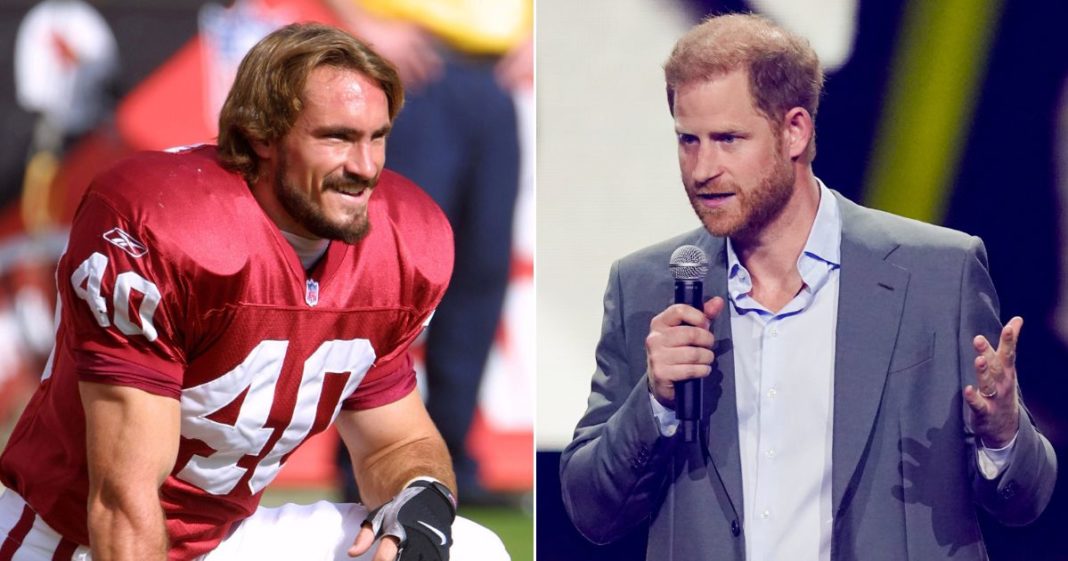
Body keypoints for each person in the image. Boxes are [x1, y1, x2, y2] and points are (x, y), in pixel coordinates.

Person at [0, 22, 508, 561]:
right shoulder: (170, 228)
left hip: (223, 539)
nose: (364, 167)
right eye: (336, 137)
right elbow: (122, 500)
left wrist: (419, 500)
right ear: (262, 135)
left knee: (470, 549)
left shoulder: (395, 244)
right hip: (70, 539)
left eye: (376, 137)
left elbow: (398, 443)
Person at [560, 13, 1056, 561]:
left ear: (794, 130)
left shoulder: (938, 272)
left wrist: (1004, 434)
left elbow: (1025, 500)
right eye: (688, 140)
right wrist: (653, 403)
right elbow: (591, 511)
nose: (702, 169)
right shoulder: (647, 287)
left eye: (728, 139)